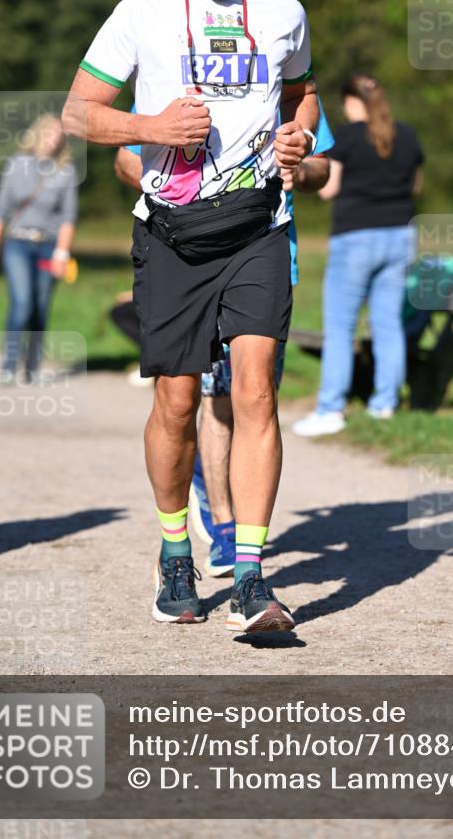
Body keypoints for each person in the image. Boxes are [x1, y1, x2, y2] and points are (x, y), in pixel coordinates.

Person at [63, 0, 319, 632]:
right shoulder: (140, 12)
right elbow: (79, 113)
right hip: (172, 233)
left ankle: (248, 574)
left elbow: (303, 91)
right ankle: (175, 549)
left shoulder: (282, 12)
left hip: (256, 227)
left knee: (254, 392)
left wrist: (298, 133)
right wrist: (151, 128)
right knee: (176, 403)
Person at [115, 104, 334, 575]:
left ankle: (238, 541)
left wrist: (299, 163)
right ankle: (223, 526)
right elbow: (125, 159)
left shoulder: (284, 87)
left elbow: (323, 169)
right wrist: (180, 185)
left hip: (268, 259)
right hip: (192, 256)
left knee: (253, 396)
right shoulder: (173, 70)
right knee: (208, 400)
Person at [293, 74, 424, 437]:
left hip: (356, 238)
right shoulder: (407, 135)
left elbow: (328, 189)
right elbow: (416, 184)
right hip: (400, 237)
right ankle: (385, 404)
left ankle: (331, 409)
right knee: (388, 323)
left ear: (352, 101)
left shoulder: (347, 138)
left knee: (339, 326)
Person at [0, 114, 78, 385]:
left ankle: (32, 366)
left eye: (59, 135)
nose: (54, 139)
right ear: (36, 135)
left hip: (48, 246)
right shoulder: (16, 165)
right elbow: (0, 210)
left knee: (40, 306)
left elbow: (69, 218)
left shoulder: (66, 172)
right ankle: (9, 365)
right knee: (22, 302)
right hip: (17, 243)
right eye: (49, 133)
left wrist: (61, 253)